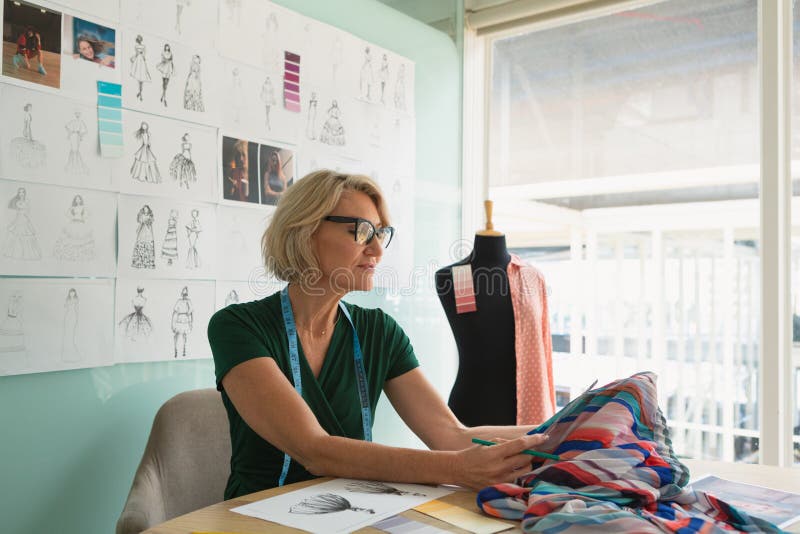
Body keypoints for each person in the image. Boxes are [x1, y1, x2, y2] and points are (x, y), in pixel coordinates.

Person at [207, 170, 547, 500]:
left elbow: (451, 434)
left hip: (349, 513)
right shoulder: (237, 327)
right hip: (256, 517)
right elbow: (314, 451)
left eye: (380, 234)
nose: (377, 250)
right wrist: (456, 469)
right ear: (306, 231)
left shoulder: (380, 332)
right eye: (361, 231)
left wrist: (561, 431)